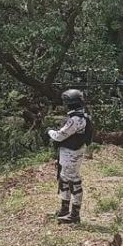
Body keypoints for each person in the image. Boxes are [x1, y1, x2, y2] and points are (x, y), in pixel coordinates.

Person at [48, 89, 93, 224]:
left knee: (73, 182)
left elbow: (59, 136)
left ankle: (74, 214)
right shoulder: (82, 116)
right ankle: (65, 209)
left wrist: (49, 131)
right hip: (71, 153)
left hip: (71, 154)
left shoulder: (75, 119)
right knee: (64, 180)